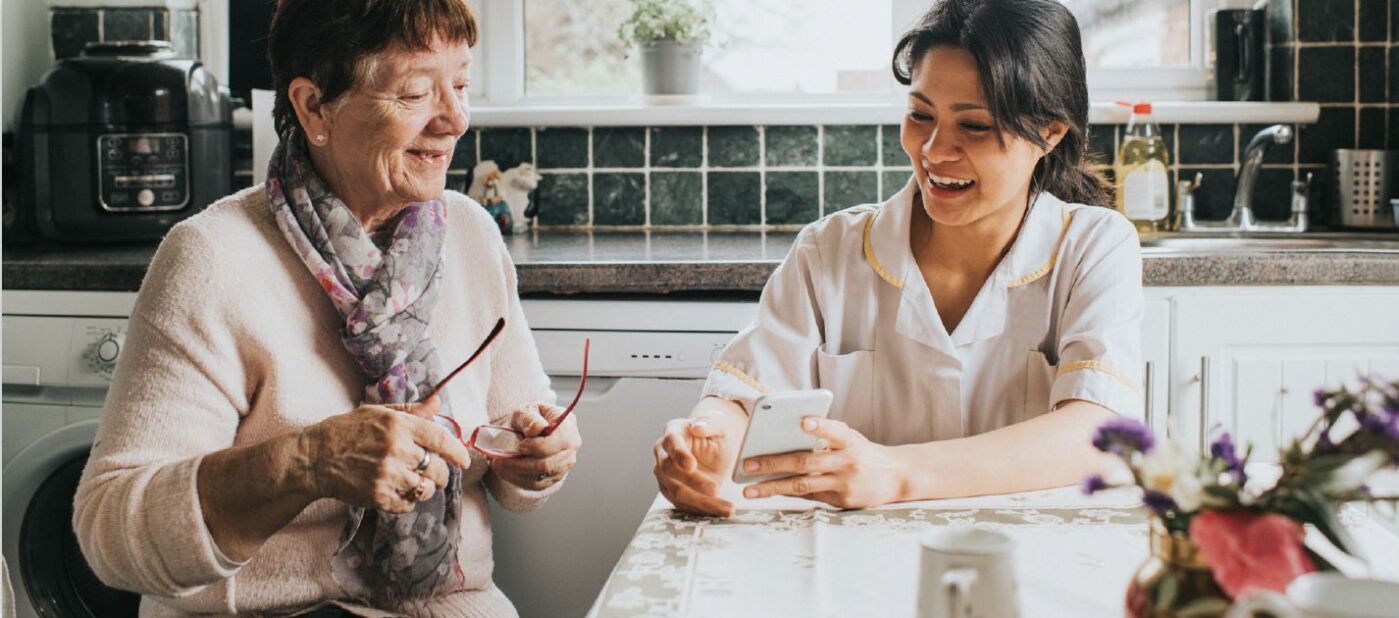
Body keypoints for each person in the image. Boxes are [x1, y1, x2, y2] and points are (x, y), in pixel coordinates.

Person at [71, 1, 581, 615]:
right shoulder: (210, 258)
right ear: (315, 106)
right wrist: (305, 463)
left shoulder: (470, 234)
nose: (455, 119)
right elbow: (110, 541)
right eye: (417, 92)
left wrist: (536, 460)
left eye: (462, 84)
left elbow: (513, 464)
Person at [653, 0, 1143, 517]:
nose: (934, 149)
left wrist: (896, 474)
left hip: (1025, 556)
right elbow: (743, 394)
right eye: (920, 115)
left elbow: (1097, 430)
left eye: (973, 126)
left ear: (1049, 132)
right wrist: (704, 443)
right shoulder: (829, 250)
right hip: (853, 559)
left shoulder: (1093, 245)